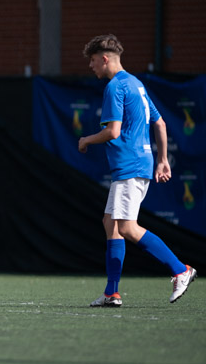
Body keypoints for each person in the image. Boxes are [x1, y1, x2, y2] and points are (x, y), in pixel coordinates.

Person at [78, 34, 196, 307]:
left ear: (104, 59)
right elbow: (161, 123)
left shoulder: (115, 87)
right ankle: (111, 292)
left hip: (129, 166)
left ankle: (180, 269)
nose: (91, 66)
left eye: (93, 60)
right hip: (137, 164)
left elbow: (113, 131)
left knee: (127, 227)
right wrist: (162, 159)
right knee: (111, 223)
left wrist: (86, 140)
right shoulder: (136, 83)